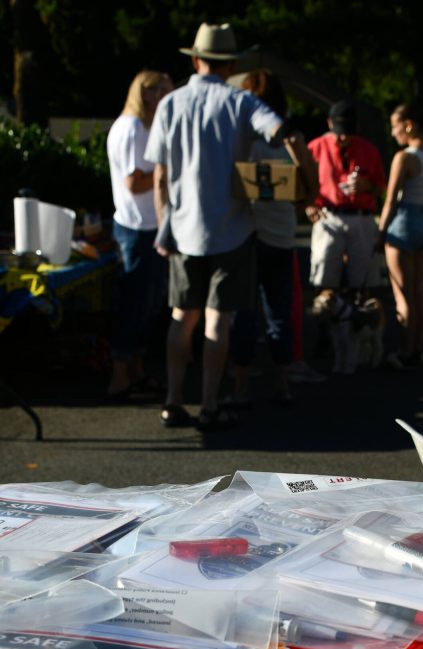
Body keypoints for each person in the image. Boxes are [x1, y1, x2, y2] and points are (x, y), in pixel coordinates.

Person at [144, 22, 285, 430]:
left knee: (180, 316)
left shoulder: (171, 104)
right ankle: (208, 403)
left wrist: (162, 225)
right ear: (230, 63)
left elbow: (159, 174)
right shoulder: (240, 101)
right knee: (217, 319)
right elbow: (275, 128)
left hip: (184, 227)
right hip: (232, 227)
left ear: (195, 58)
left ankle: (172, 400)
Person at [228, 71, 319, 408]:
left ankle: (240, 383)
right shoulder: (292, 140)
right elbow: (311, 193)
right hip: (280, 236)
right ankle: (282, 382)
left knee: (246, 312)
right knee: (278, 310)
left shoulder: (244, 140)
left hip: (248, 236)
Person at [105, 70, 173, 400]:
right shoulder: (133, 128)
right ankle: (120, 376)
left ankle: (135, 371)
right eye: (159, 90)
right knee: (135, 303)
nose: (165, 96)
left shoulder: (139, 127)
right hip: (138, 227)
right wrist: (168, 172)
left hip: (143, 225)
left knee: (145, 304)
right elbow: (134, 183)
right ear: (144, 94)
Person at [306, 100, 386, 373]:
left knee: (360, 277)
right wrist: (308, 205)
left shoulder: (368, 150)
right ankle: (324, 333)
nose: (343, 138)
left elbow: (382, 186)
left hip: (361, 215)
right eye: (339, 131)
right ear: (329, 124)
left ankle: (355, 332)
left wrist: (368, 186)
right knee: (324, 274)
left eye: (348, 132)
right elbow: (300, 181)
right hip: (329, 215)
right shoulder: (315, 147)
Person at [377, 103, 423, 367]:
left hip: (404, 224)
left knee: (403, 294)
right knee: (419, 292)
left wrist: (380, 232)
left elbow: (391, 200)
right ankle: (416, 349)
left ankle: (405, 351)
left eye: (395, 126)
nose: (393, 133)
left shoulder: (405, 157)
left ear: (408, 124)